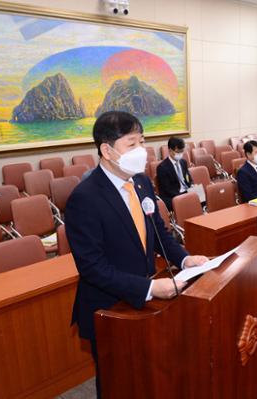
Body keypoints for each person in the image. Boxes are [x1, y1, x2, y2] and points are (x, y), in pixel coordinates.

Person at [65, 111, 208, 398]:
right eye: (131, 144)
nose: (141, 151)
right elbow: (92, 267)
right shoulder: (84, 198)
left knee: (146, 376)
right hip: (109, 307)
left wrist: (183, 258)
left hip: (143, 301)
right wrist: (151, 287)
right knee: (117, 381)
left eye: (142, 142)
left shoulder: (141, 181)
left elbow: (157, 230)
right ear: (107, 150)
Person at [157, 137, 193, 211]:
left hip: (186, 191)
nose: (180, 154)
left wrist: (192, 186)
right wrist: (184, 195)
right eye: (178, 151)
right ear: (170, 150)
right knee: (189, 202)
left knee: (202, 196)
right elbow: (167, 189)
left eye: (182, 151)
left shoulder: (183, 162)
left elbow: (188, 178)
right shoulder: (162, 167)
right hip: (172, 195)